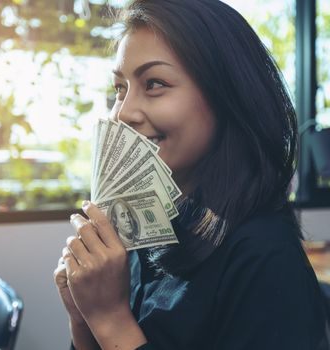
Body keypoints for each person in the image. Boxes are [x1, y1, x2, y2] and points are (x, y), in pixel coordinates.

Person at [53, 0, 330, 349]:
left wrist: (109, 318)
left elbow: (119, 331)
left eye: (154, 83)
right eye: (120, 89)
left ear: (226, 96)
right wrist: (84, 318)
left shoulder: (265, 257)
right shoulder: (154, 231)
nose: (123, 114)